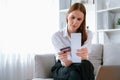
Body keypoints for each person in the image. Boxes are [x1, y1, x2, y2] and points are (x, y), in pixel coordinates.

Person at [51, 2, 94, 80]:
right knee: (80, 68)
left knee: (85, 65)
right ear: (67, 16)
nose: (75, 22)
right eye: (72, 17)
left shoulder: (88, 34)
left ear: (83, 20)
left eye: (79, 19)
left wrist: (80, 57)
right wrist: (70, 60)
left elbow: (84, 57)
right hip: (62, 67)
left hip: (80, 65)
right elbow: (66, 63)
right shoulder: (57, 36)